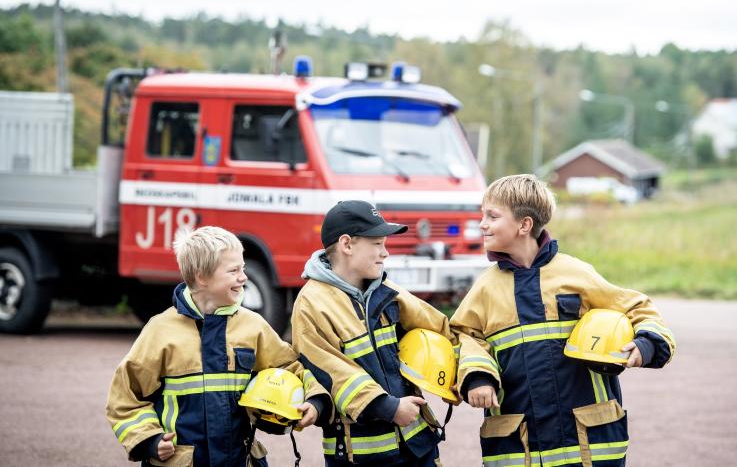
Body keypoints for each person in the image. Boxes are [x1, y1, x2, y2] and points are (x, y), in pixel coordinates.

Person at [450, 174, 676, 467]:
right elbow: (463, 337)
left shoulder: (576, 274)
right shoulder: (485, 288)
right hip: (520, 447)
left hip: (588, 445)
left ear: (524, 225)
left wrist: (646, 344)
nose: (482, 224)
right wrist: (477, 377)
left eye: (492, 216)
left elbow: (637, 308)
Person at [106, 226, 330, 466]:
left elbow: (290, 367)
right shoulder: (161, 331)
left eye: (242, 268)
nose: (243, 277)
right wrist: (148, 439)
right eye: (234, 270)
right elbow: (125, 398)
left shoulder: (253, 326)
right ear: (202, 277)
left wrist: (315, 400)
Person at [291, 200, 458, 466]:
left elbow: (439, 328)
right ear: (347, 245)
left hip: (417, 445)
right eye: (377, 244)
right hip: (361, 454)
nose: (385, 253)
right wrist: (389, 408)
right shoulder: (312, 304)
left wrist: (464, 372)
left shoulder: (387, 290)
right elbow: (331, 372)